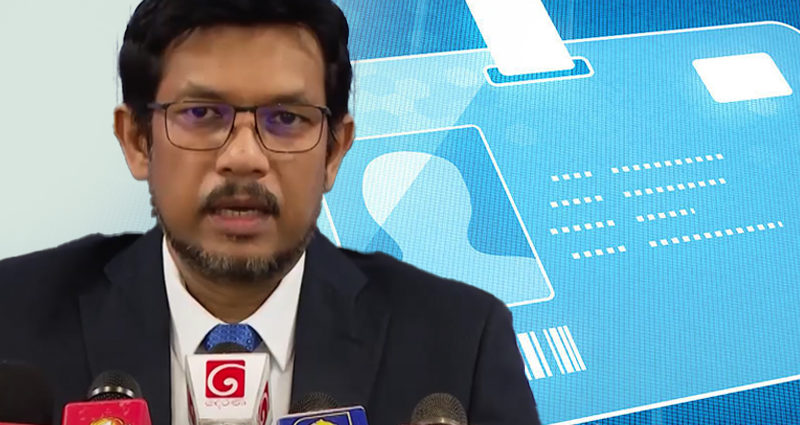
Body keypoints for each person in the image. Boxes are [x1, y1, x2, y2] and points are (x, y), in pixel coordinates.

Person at [0, 1, 541, 424]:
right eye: (201, 113)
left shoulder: (461, 343)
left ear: (334, 151)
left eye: (286, 118)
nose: (243, 157)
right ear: (138, 140)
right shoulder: (13, 319)